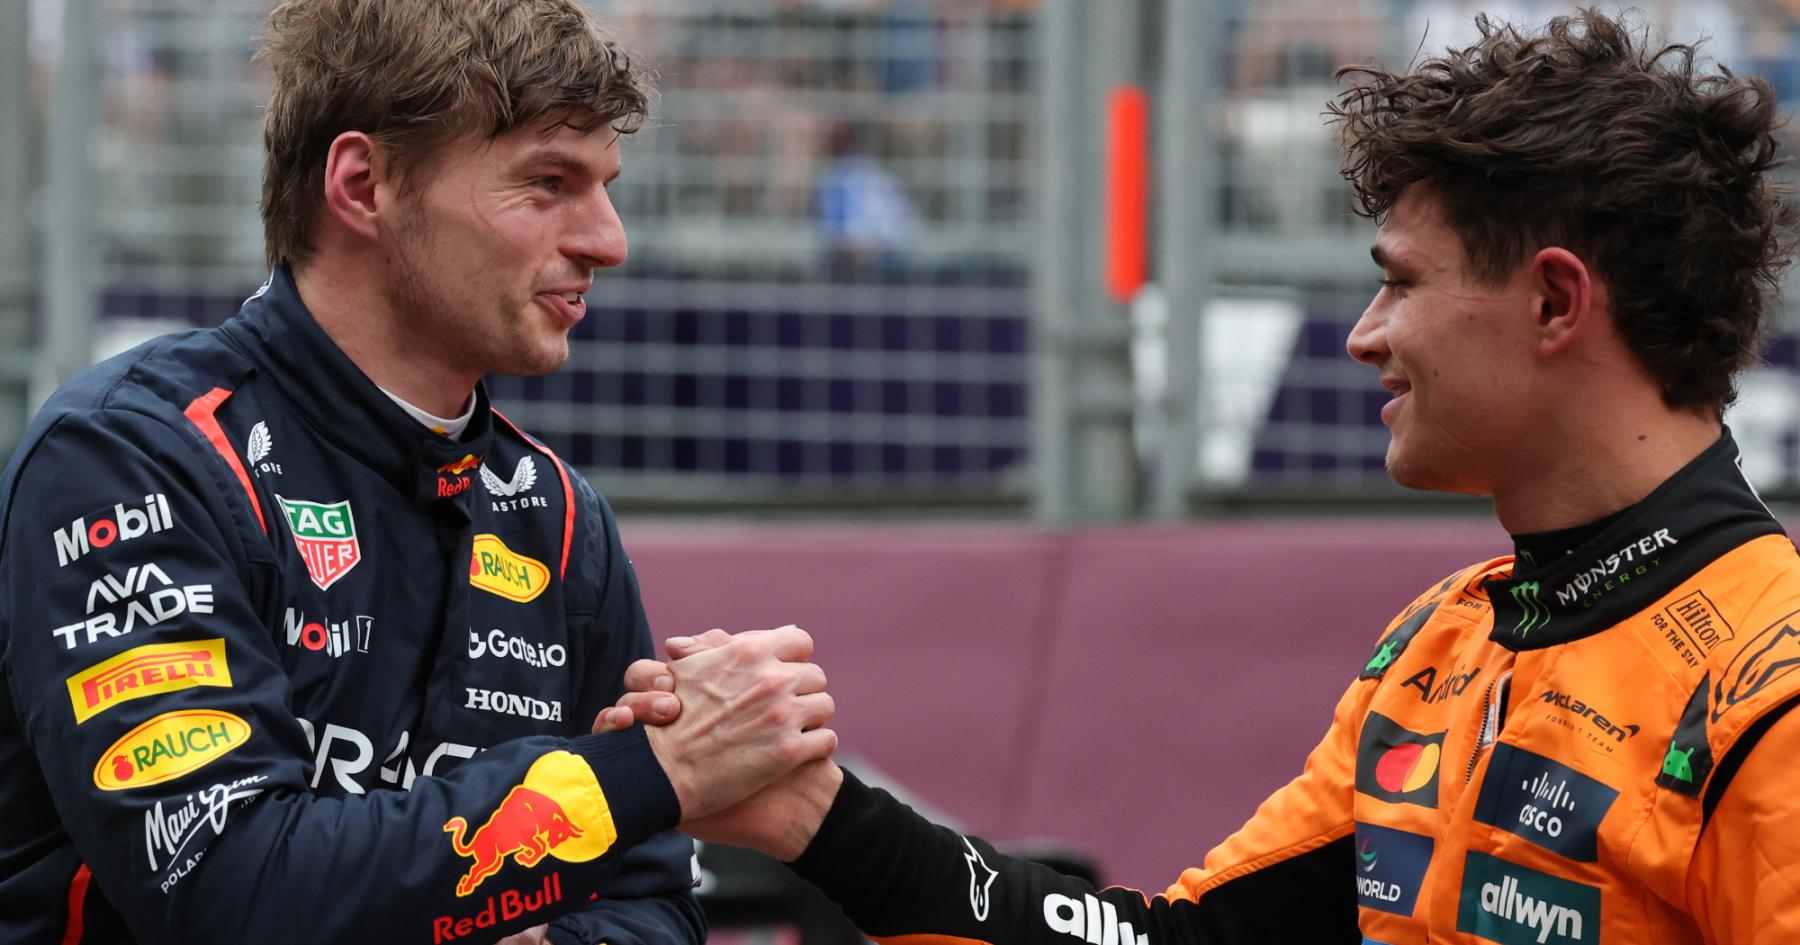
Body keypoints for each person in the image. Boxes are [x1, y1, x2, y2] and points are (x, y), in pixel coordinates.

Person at [607, 10, 1800, 944]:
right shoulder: (1442, 646)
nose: (1365, 335)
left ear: (1553, 301)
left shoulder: (1767, 692)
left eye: (1402, 281)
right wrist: (814, 819)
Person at [0, 2, 836, 943]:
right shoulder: (134, 457)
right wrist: (651, 772)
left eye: (604, 187)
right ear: (363, 185)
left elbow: (652, 904)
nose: (608, 240)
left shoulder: (558, 518)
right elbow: (231, 892)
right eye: (548, 182)